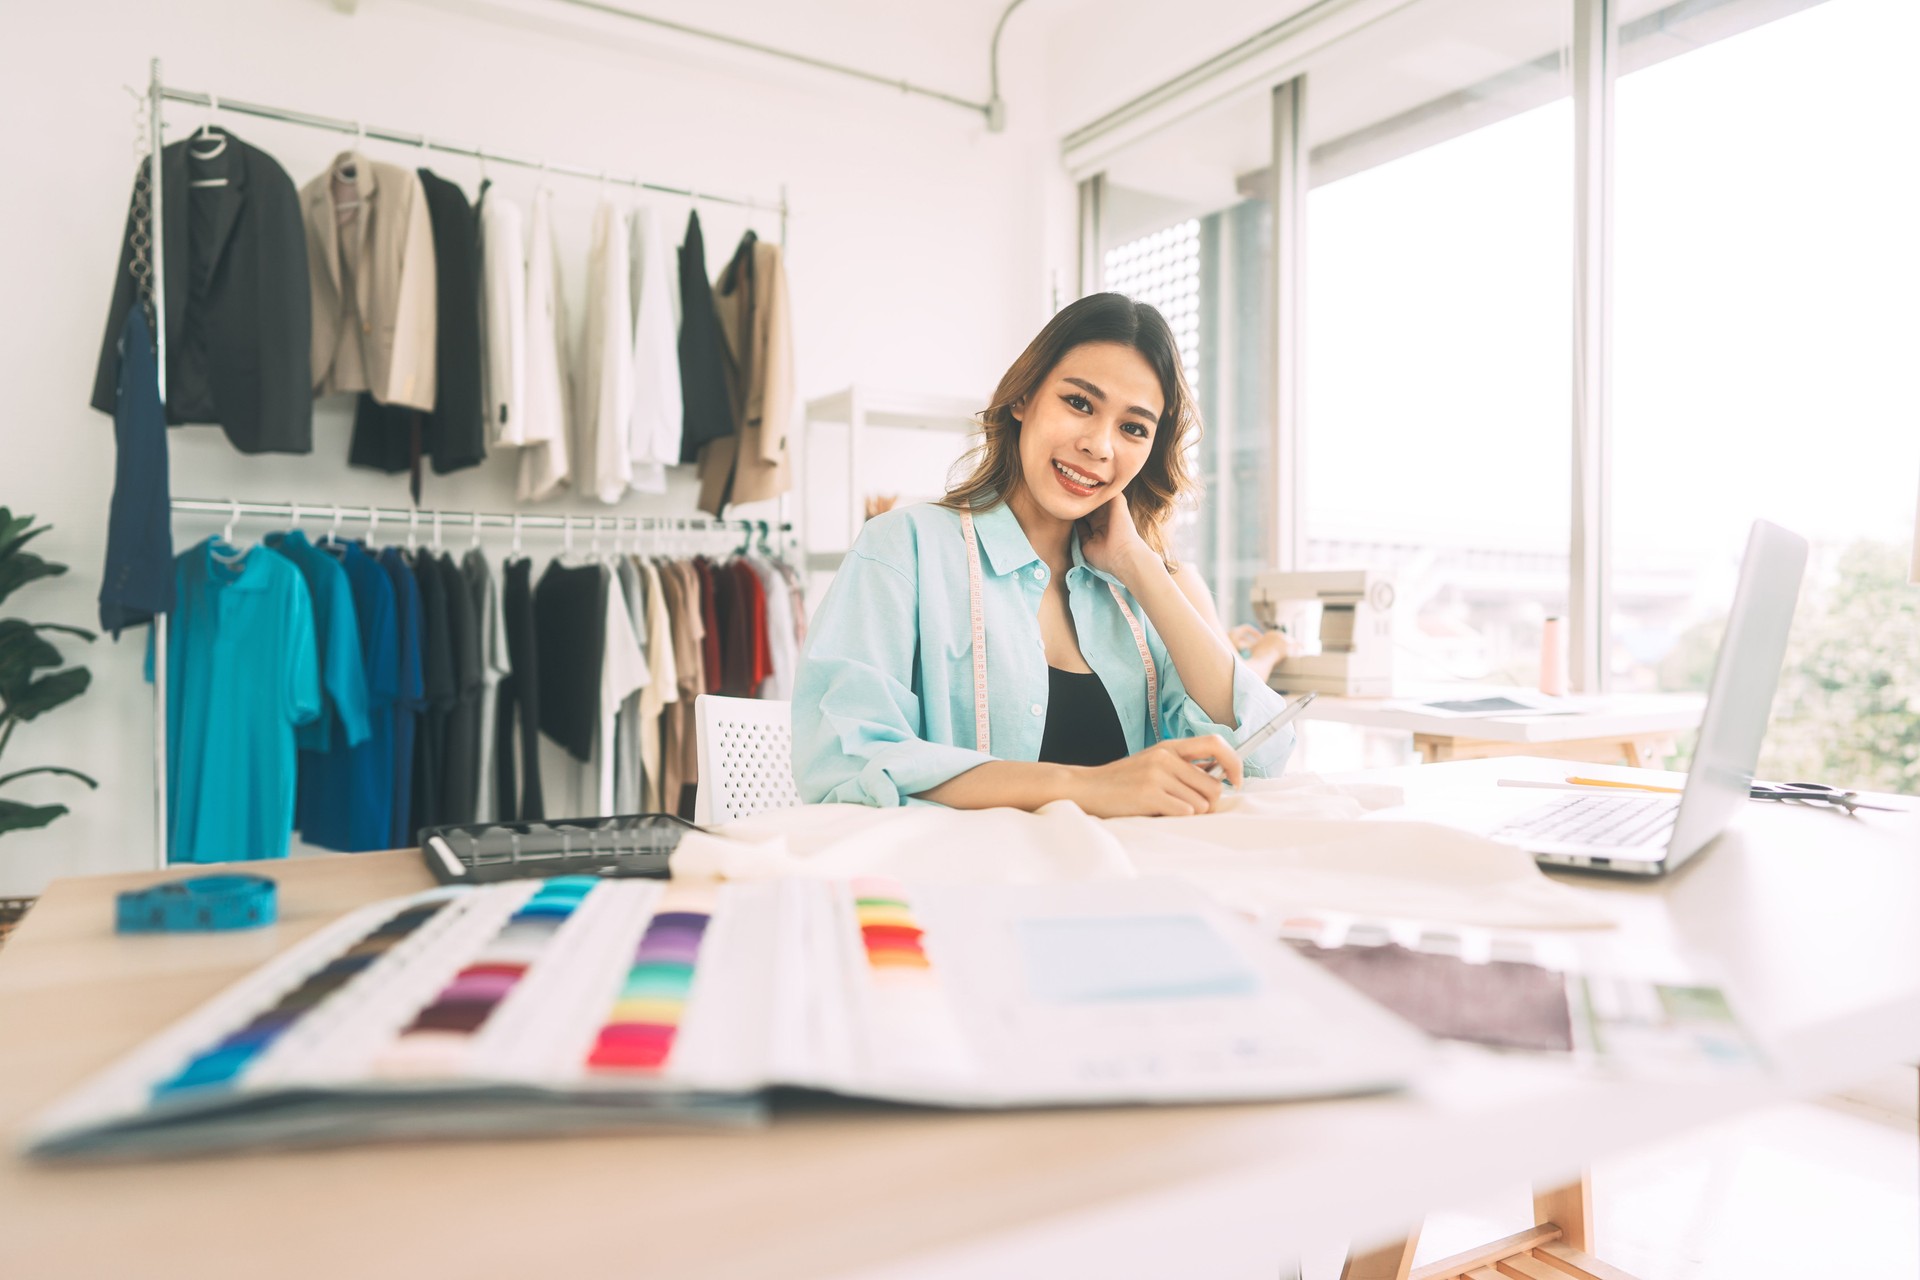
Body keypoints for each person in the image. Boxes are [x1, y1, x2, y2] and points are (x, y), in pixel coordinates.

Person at [792, 293, 1296, 817]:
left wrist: (1140, 565)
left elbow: (1262, 755)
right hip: (962, 888)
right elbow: (845, 766)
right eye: (1079, 403)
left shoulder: (1133, 588)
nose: (1100, 445)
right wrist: (1089, 786)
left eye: (1133, 428)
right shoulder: (902, 549)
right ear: (1023, 398)